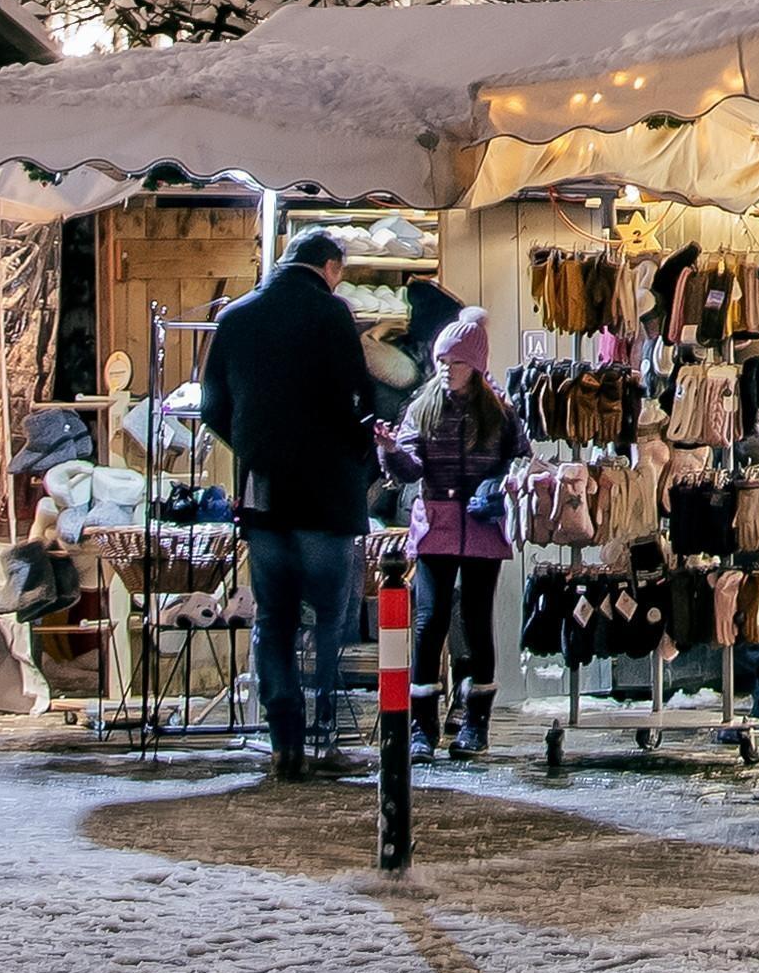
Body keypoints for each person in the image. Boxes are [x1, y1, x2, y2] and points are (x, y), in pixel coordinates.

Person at [203, 229, 392, 783]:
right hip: (326, 495)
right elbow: (355, 399)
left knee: (274, 616)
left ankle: (283, 737)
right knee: (330, 616)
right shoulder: (332, 315)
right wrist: (357, 455)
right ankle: (323, 734)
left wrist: (254, 448)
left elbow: (214, 404)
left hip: (264, 493)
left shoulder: (236, 317)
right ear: (331, 267)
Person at [394, 312, 524, 759]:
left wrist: (499, 484)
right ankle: (422, 729)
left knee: (475, 621)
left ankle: (475, 724)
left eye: (455, 361)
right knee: (429, 622)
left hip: (482, 525)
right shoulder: (422, 407)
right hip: (437, 522)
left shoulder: (501, 411)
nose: (446, 368)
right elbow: (409, 468)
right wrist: (390, 452)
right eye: (441, 360)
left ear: (476, 364)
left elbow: (519, 460)